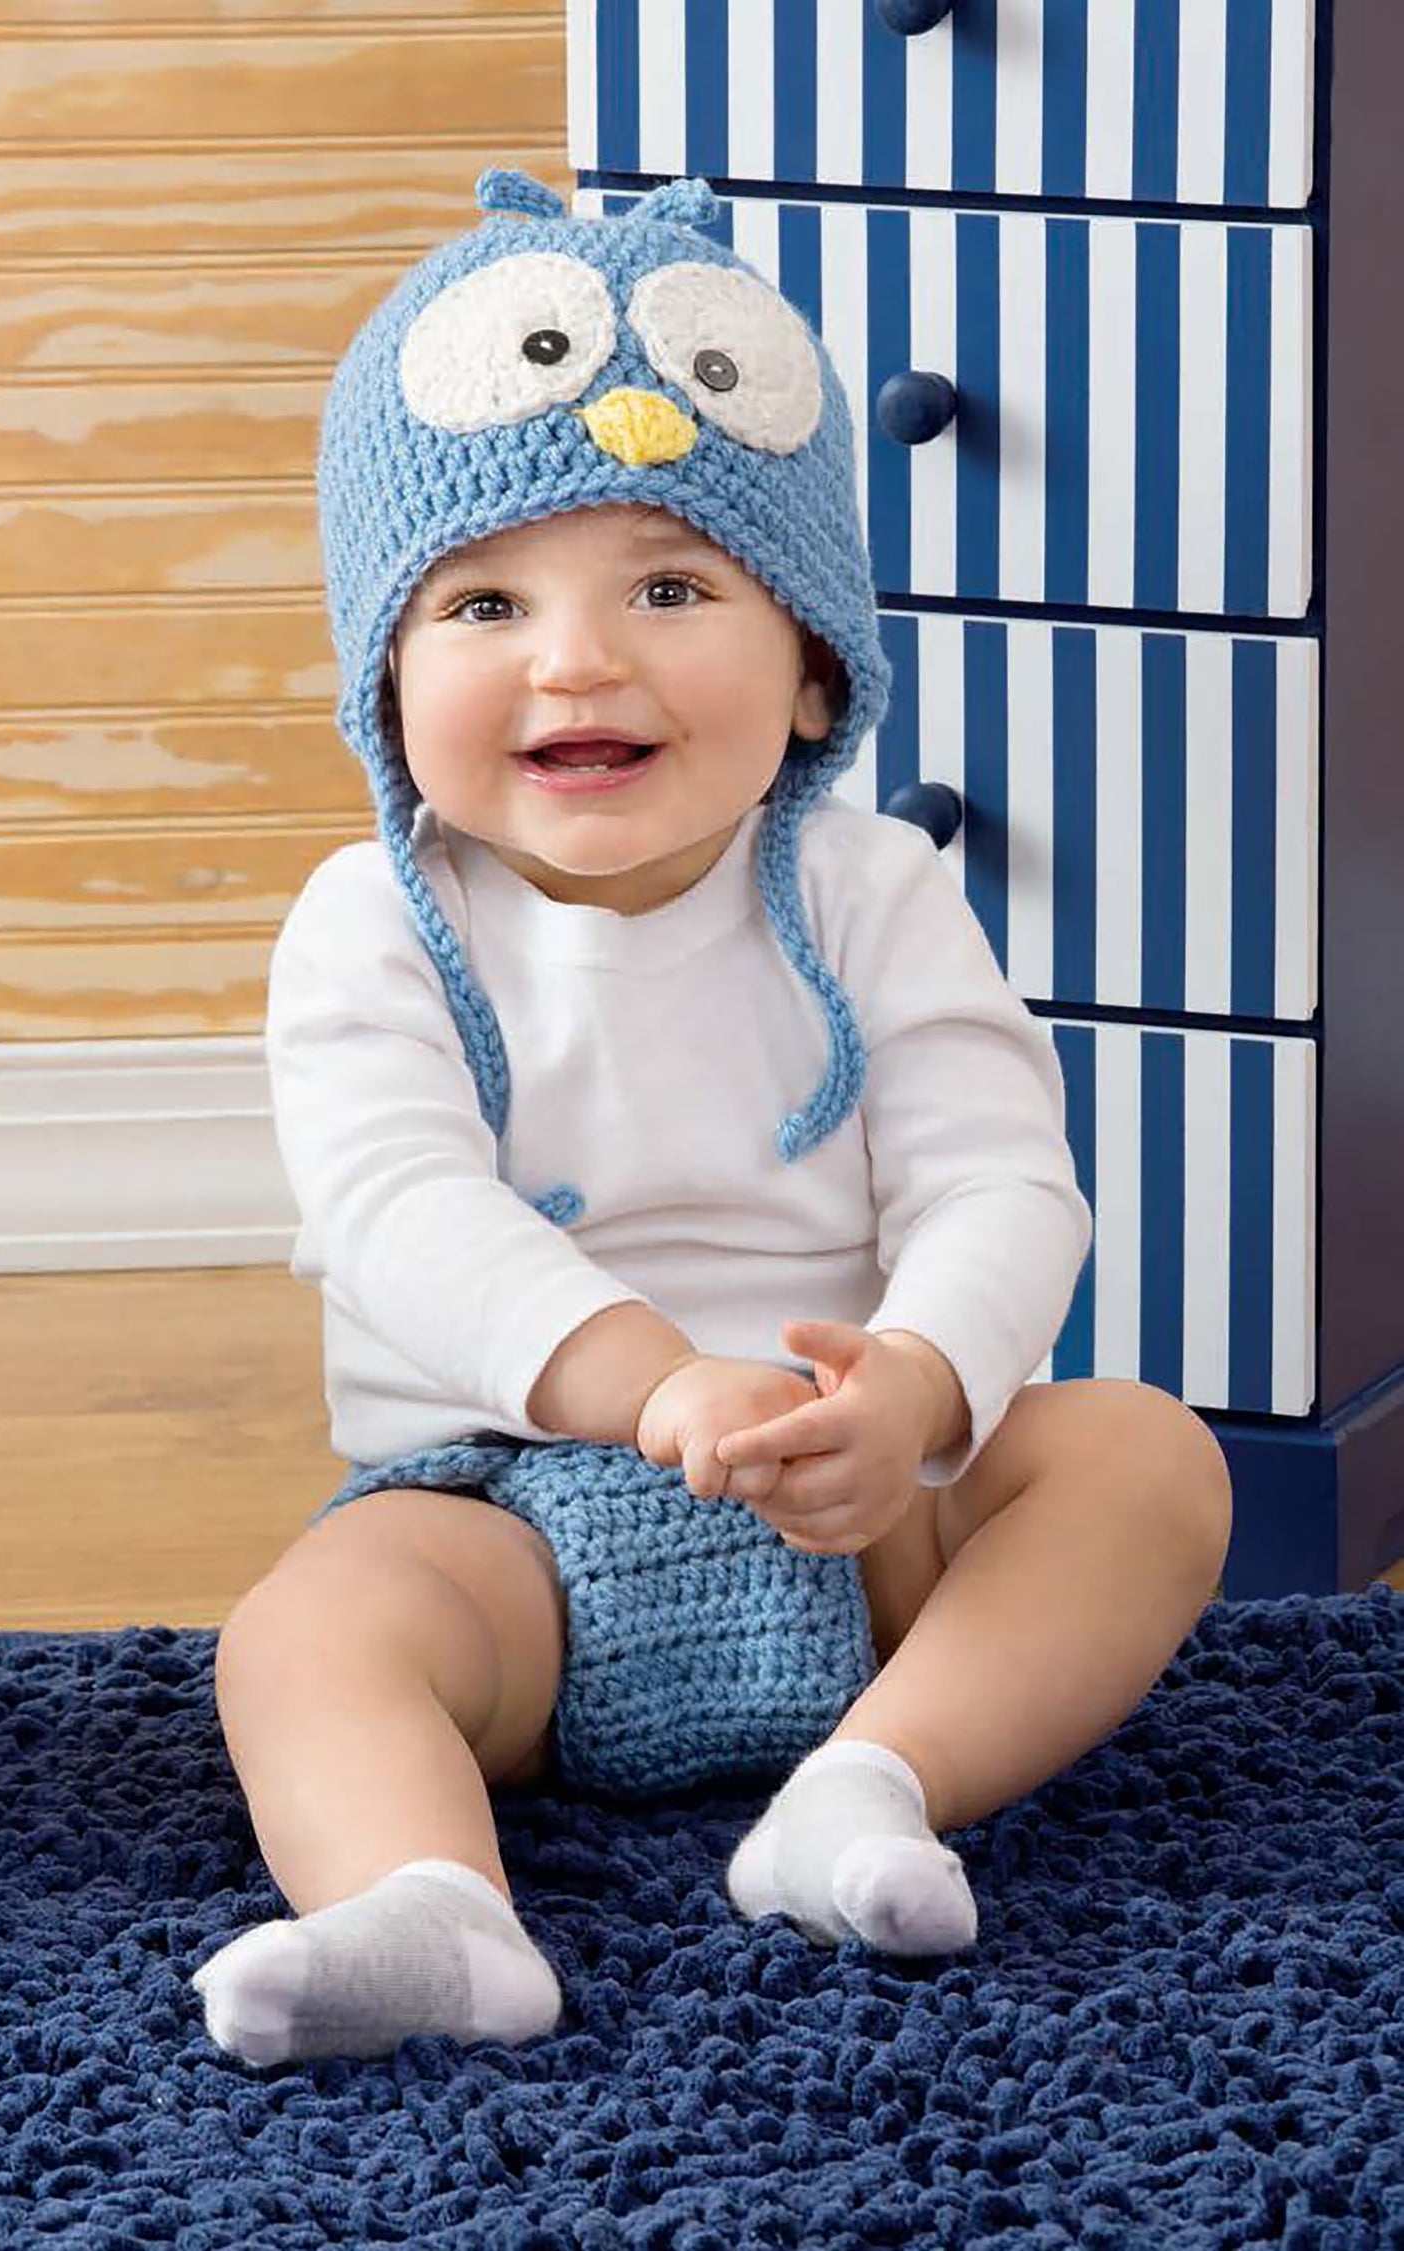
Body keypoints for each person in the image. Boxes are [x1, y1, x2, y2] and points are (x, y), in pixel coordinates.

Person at [190, 169, 1231, 2068]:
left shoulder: (867, 889)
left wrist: (915, 1391)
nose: (577, 659)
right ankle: (427, 1903)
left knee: (1145, 1461)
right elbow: (394, 1203)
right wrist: (648, 1380)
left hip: (861, 1514)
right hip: (509, 1525)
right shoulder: (377, 925)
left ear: (811, 662)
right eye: (484, 601)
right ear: (385, 678)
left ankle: (874, 1782)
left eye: (672, 587)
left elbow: (997, 1171)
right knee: (303, 1636)